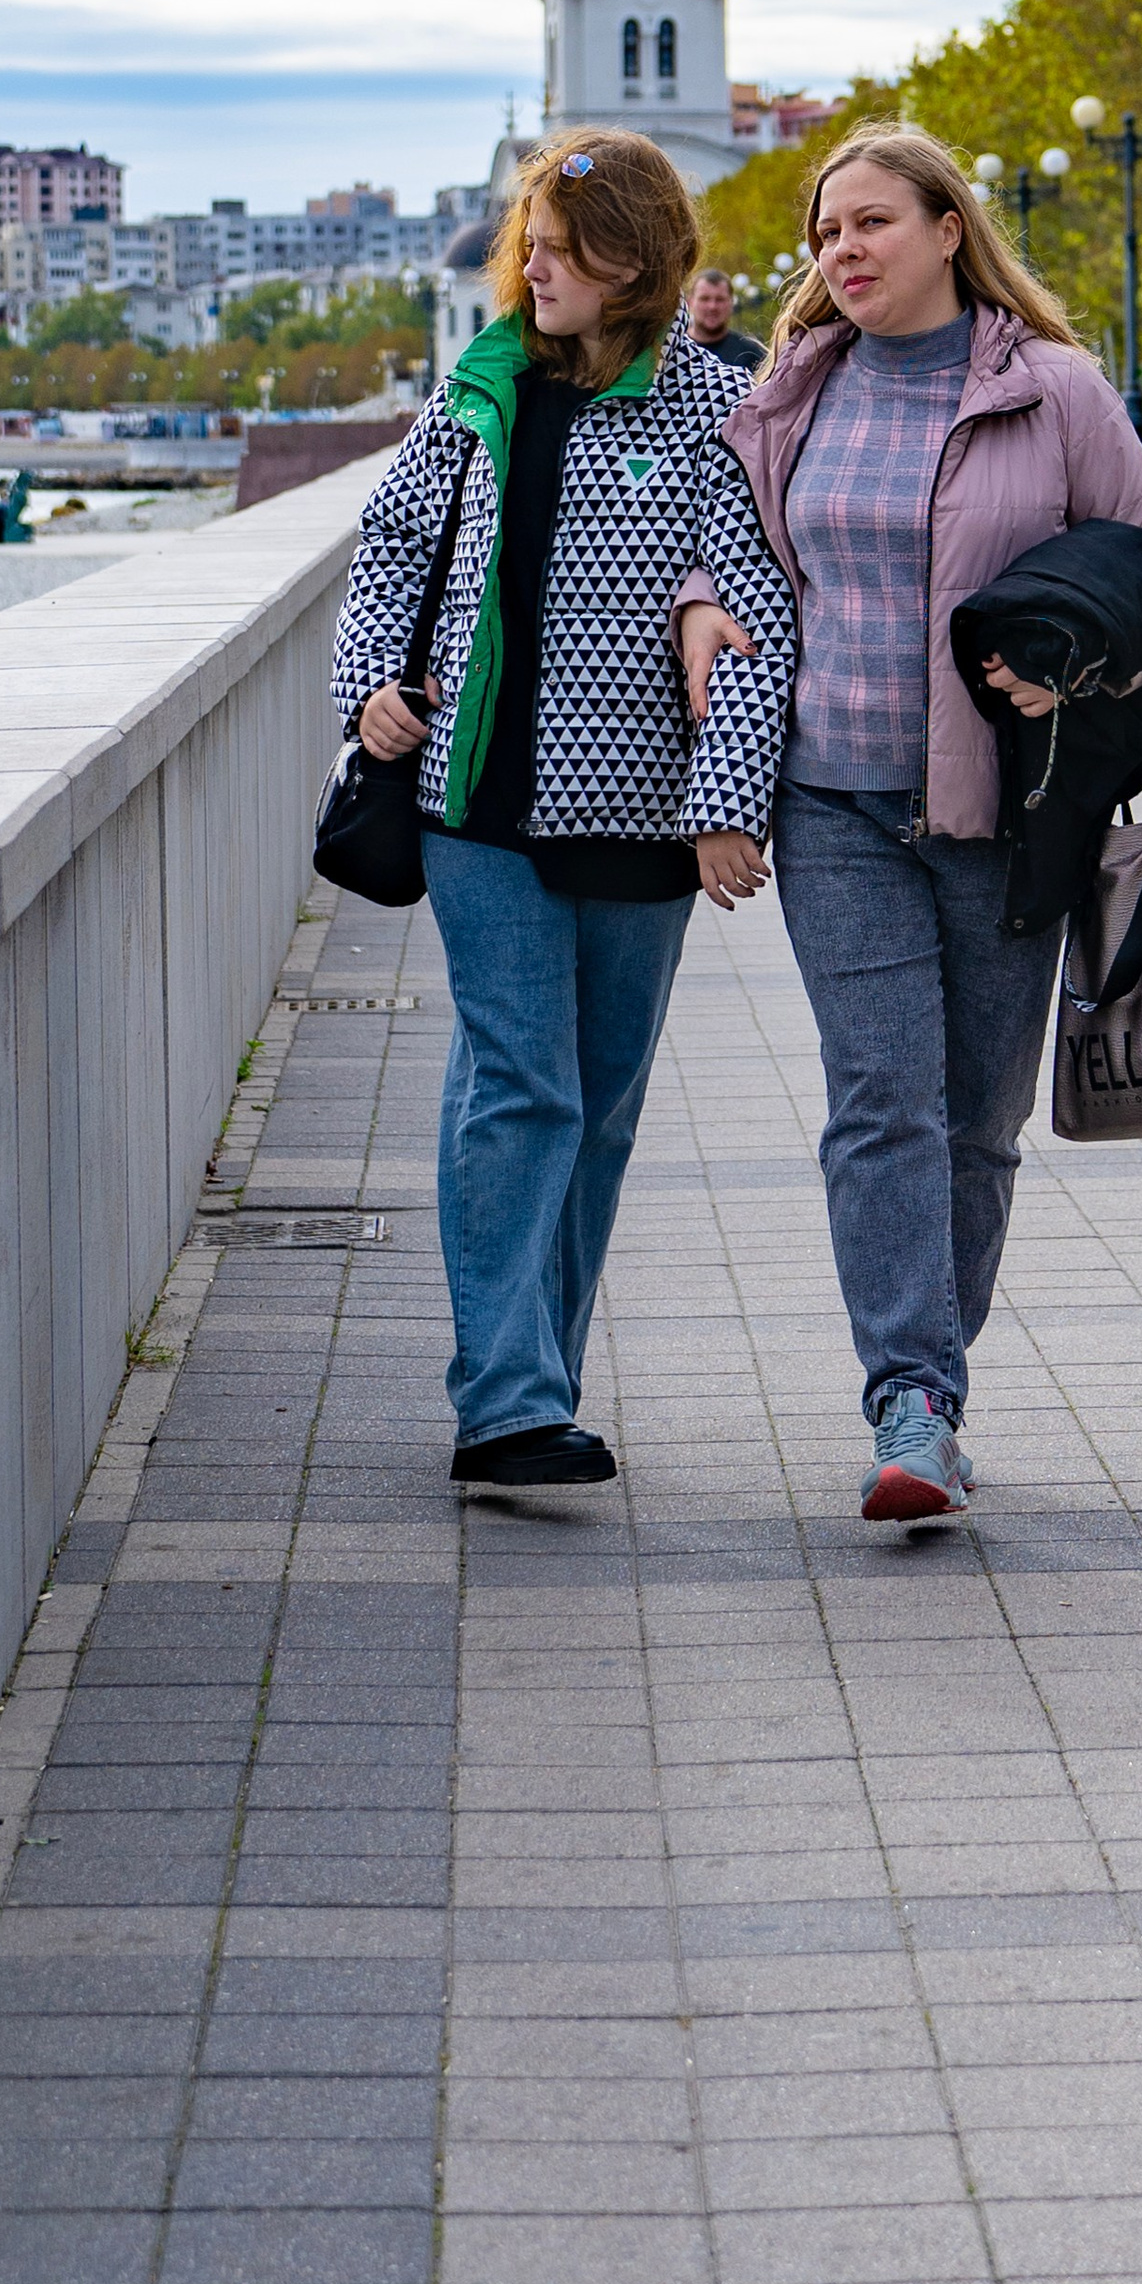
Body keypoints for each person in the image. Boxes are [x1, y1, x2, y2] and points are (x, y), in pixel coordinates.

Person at [680, 125, 1142, 1526]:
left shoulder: (1058, 393)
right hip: (831, 801)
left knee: (981, 1118)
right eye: (825, 232)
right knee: (879, 1102)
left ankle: (932, 1393)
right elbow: (733, 579)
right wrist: (713, 711)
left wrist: (1070, 663)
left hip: (1009, 811)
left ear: (949, 229)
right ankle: (911, 1399)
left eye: (871, 224)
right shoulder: (792, 392)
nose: (841, 252)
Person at [332, 134, 793, 1491]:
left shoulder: (723, 406)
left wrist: (725, 808)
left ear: (633, 263)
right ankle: (506, 1402)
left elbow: (750, 608)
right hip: (473, 803)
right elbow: (392, 547)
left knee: (596, 1111)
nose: (527, 263)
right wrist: (369, 686)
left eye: (555, 243)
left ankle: (542, 1376)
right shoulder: (478, 393)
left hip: (644, 812)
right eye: (527, 240)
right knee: (520, 1081)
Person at [687, 265, 764, 373]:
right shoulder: (675, 350)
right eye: (704, 299)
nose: (712, 306)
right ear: (690, 302)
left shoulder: (752, 355)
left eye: (720, 299)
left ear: (732, 302)